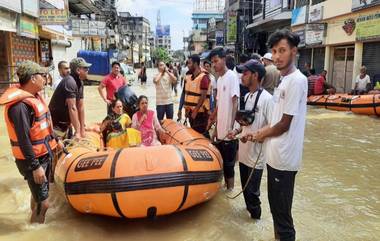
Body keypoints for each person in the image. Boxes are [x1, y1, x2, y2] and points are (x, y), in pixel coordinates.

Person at [244, 29, 307, 241]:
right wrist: (256, 133)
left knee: (282, 218)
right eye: (274, 51)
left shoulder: (297, 80)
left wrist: (262, 132)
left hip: (284, 160)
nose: (277, 56)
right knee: (276, 212)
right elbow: (275, 121)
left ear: (294, 52)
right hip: (274, 158)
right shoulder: (283, 80)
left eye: (282, 50)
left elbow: (284, 125)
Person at [0, 61, 60, 223]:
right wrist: (35, 167)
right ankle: (35, 231)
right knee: (44, 203)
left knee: (38, 198)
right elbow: (23, 138)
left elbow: (42, 127)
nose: (45, 78)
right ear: (33, 79)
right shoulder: (20, 106)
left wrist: (55, 139)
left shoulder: (34, 98)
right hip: (32, 160)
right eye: (43, 75)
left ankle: (32, 222)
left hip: (43, 154)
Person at [228, 59, 272, 220]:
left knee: (253, 196)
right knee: (246, 193)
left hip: (256, 158)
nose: (242, 76)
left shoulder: (267, 99)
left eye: (245, 73)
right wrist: (236, 131)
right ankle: (248, 228)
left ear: (255, 75)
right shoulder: (246, 97)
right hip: (244, 155)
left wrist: (254, 136)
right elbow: (245, 124)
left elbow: (273, 127)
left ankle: (256, 223)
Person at [208, 47, 240, 190]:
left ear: (224, 59)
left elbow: (235, 102)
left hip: (229, 133)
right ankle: (226, 189)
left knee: (229, 166)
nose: (214, 65)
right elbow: (220, 105)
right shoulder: (219, 79)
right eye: (212, 62)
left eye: (216, 61)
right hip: (220, 131)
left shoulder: (232, 77)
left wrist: (231, 126)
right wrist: (215, 128)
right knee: (221, 163)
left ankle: (230, 192)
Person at [49, 57, 91, 139]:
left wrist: (82, 129)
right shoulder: (69, 82)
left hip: (66, 123)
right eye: (85, 68)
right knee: (59, 149)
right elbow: (72, 108)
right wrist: (78, 132)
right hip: (56, 124)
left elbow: (80, 106)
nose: (88, 70)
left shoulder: (80, 83)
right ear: (78, 70)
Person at [183, 54, 211, 135]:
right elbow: (186, 95)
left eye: (189, 63)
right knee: (194, 133)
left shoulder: (204, 78)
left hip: (200, 114)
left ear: (195, 64)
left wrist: (195, 110)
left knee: (202, 134)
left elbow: (203, 96)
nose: (188, 66)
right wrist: (186, 110)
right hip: (191, 113)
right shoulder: (189, 77)